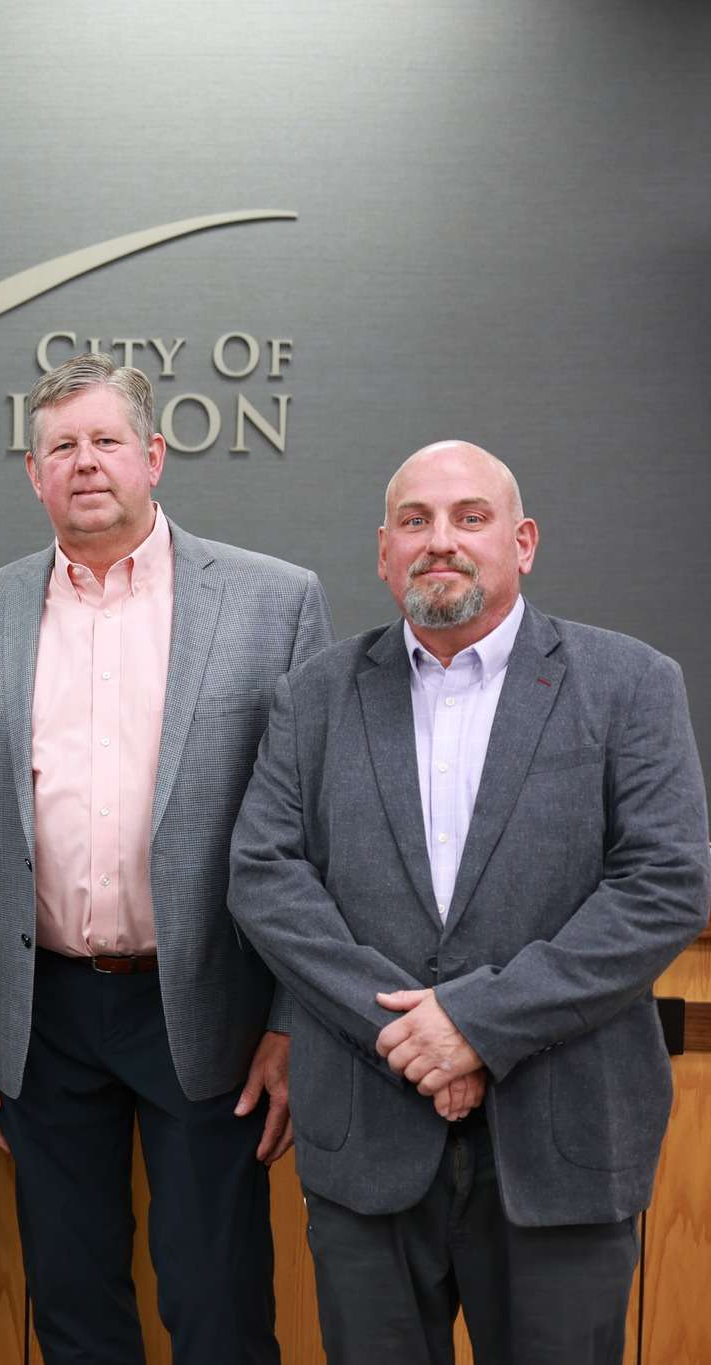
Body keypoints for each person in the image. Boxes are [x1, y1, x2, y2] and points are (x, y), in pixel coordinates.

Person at [228, 440, 709, 1364]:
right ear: (382, 551)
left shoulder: (631, 684)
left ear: (522, 541)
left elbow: (662, 887)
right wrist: (407, 1035)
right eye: (415, 520)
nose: (439, 540)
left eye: (469, 518)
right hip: (370, 1139)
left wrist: (476, 1024)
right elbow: (266, 876)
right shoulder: (313, 696)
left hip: (565, 1139)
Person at [0, 352, 332, 1363]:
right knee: (70, 1307)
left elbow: (313, 837)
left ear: (152, 456)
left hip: (205, 1010)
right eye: (60, 446)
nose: (84, 463)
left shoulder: (272, 604)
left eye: (106, 440)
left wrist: (291, 1023)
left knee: (217, 1306)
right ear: (32, 473)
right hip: (43, 1013)